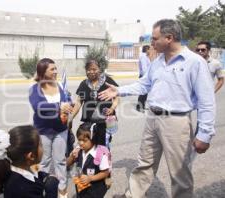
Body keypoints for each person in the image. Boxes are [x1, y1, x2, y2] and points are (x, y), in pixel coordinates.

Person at [99, 19, 215, 198]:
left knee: (179, 171)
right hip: (153, 118)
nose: (151, 43)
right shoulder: (158, 61)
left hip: (177, 123)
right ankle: (132, 195)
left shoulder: (195, 62)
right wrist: (119, 91)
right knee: (144, 163)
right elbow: (144, 85)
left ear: (169, 38)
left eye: (154, 39)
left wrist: (205, 133)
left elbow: (207, 100)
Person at [29, 58, 73, 198]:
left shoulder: (60, 84)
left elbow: (67, 100)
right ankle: (43, 187)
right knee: (44, 161)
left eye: (56, 68)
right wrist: (58, 107)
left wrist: (68, 104)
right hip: (43, 132)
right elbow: (38, 107)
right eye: (52, 69)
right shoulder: (35, 88)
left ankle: (62, 189)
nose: (55, 71)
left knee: (60, 160)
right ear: (43, 71)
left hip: (61, 129)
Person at [0, 125, 59, 198]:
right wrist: (52, 186)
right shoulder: (22, 189)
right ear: (31, 156)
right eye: (40, 145)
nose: (42, 147)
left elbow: (35, 174)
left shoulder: (19, 168)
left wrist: (46, 177)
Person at [71, 59, 119, 147]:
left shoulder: (107, 81)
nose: (91, 72)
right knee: (89, 146)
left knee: (104, 146)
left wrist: (112, 108)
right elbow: (78, 103)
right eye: (88, 70)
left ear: (99, 69)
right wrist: (71, 117)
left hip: (106, 121)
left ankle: (103, 159)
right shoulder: (83, 84)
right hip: (89, 121)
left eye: (94, 69)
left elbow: (116, 98)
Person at [67, 122, 111, 198]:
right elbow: (67, 163)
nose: (80, 143)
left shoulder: (99, 153)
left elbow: (105, 173)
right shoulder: (78, 150)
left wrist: (90, 178)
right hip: (81, 187)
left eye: (84, 140)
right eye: (79, 139)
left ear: (93, 139)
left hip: (95, 190)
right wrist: (71, 157)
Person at [136, 45, 151, 112]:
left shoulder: (146, 56)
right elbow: (144, 68)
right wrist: (147, 77)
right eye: (149, 49)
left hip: (145, 76)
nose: (150, 51)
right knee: (142, 92)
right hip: (144, 76)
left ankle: (143, 106)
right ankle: (139, 107)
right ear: (146, 49)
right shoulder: (143, 56)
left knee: (145, 93)